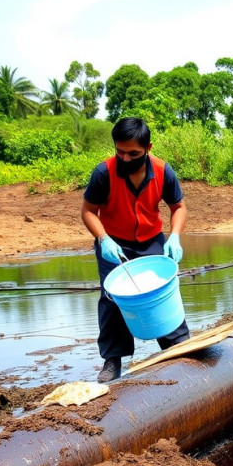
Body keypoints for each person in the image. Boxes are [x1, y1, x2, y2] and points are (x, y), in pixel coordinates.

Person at [81, 117, 190, 383]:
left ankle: (178, 345)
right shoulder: (104, 173)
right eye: (120, 152)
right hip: (114, 242)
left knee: (160, 290)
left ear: (148, 148)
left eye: (134, 153)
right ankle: (112, 360)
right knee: (112, 298)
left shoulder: (163, 171)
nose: (126, 159)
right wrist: (103, 238)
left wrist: (174, 237)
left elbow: (179, 207)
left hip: (151, 239)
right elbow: (88, 211)